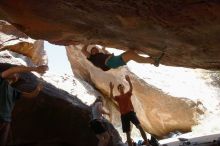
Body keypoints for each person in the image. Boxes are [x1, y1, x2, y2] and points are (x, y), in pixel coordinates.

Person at [0, 65, 48, 146]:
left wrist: (38, 89)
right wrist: (35, 69)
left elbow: (31, 95)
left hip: (6, 121)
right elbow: (13, 69)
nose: (16, 74)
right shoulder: (1, 80)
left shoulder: (14, 91)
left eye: (17, 75)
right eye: (15, 73)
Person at [109, 75, 151, 146]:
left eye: (122, 87)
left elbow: (131, 88)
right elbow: (111, 97)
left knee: (139, 126)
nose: (121, 88)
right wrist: (111, 89)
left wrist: (128, 81)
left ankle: (147, 142)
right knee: (128, 133)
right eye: (119, 88)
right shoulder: (118, 97)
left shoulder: (127, 94)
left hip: (131, 113)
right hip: (124, 116)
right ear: (118, 90)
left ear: (124, 88)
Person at [81, 44, 165, 71]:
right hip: (112, 62)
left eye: (95, 49)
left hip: (115, 59)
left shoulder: (101, 55)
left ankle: (150, 60)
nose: (94, 50)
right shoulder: (92, 57)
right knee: (131, 55)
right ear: (91, 52)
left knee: (131, 51)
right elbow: (83, 50)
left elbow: (106, 54)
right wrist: (88, 42)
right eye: (93, 50)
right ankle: (154, 61)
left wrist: (104, 49)